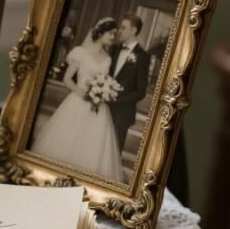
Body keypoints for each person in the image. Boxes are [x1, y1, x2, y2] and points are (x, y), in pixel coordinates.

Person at [30, 17, 125, 182]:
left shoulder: (108, 58)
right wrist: (81, 93)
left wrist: (104, 91)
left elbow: (104, 79)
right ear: (100, 33)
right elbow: (67, 79)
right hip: (78, 100)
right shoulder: (80, 52)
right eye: (110, 34)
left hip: (97, 106)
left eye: (115, 34)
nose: (112, 37)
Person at [109, 13, 151, 152]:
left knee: (114, 150)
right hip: (103, 107)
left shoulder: (142, 56)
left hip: (122, 112)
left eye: (123, 28)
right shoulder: (114, 49)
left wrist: (118, 99)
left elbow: (141, 91)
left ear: (133, 30)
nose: (119, 31)